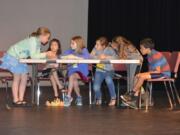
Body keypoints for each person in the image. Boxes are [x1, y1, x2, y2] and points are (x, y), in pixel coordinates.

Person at [0, 27, 52, 106]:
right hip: (13, 56)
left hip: (20, 58)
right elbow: (34, 56)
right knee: (17, 77)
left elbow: (36, 55)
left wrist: (47, 56)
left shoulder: (37, 43)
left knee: (24, 78)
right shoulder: (33, 40)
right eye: (47, 37)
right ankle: (15, 100)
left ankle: (21, 99)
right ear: (42, 35)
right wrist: (46, 54)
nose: (48, 40)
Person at [121, 38, 171, 109]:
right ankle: (134, 100)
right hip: (157, 73)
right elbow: (152, 71)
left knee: (141, 76)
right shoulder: (149, 55)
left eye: (141, 48)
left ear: (147, 48)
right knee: (138, 76)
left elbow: (158, 71)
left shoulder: (156, 55)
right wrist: (143, 74)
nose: (140, 50)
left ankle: (131, 95)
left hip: (164, 74)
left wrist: (143, 74)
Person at [62, 36, 90, 107]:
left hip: (82, 73)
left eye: (72, 43)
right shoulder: (70, 51)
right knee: (73, 78)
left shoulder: (84, 50)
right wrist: (67, 57)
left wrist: (74, 57)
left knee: (72, 76)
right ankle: (79, 97)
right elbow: (61, 56)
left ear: (78, 44)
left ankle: (68, 96)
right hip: (72, 72)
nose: (71, 45)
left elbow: (87, 57)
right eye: (71, 43)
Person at [91, 37, 118, 106]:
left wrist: (106, 57)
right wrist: (96, 56)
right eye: (95, 44)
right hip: (99, 71)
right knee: (96, 87)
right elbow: (90, 57)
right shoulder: (95, 49)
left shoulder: (110, 49)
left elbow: (116, 57)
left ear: (103, 46)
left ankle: (113, 98)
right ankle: (98, 98)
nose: (95, 46)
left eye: (97, 44)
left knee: (108, 80)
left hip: (109, 71)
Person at [41, 38, 66, 105]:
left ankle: (56, 95)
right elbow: (42, 61)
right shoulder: (48, 53)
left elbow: (61, 67)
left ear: (58, 47)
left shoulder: (60, 56)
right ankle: (60, 86)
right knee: (52, 70)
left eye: (55, 45)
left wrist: (60, 66)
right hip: (46, 71)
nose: (53, 46)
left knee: (52, 73)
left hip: (56, 72)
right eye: (51, 44)